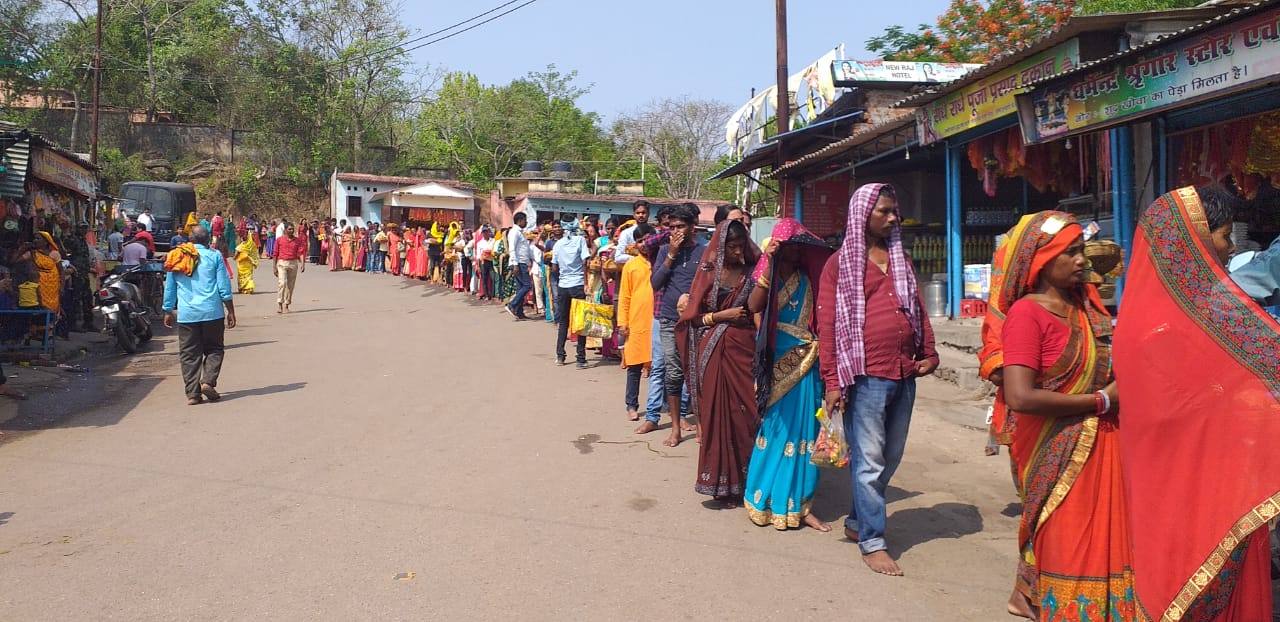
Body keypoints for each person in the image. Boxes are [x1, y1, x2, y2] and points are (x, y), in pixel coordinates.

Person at [1114, 186, 1277, 621]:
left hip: (1201, 485)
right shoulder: (1177, 326)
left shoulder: (1157, 316)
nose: (1230, 249)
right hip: (1199, 491)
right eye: (1224, 236)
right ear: (1193, 240)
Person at [992, 210, 1132, 619]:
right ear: (1040, 260)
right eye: (1069, 253)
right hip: (1054, 443)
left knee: (1105, 534)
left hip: (1103, 440)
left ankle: (1030, 597)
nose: (1081, 260)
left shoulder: (1087, 310)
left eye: (1081, 251)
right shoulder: (1027, 314)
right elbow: (1020, 396)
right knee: (1069, 536)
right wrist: (1100, 402)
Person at [817, 183, 938, 577]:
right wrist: (833, 381)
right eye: (884, 211)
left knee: (891, 456)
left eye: (894, 211)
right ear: (862, 215)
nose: (892, 218)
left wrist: (930, 352)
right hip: (865, 375)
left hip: (904, 370)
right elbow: (829, 325)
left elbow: (917, 306)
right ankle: (873, 541)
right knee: (869, 461)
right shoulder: (839, 264)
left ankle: (856, 521)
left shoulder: (900, 257)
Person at [743, 218, 833, 531]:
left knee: (806, 434)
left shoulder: (809, 279)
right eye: (790, 248)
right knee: (778, 431)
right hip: (780, 363)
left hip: (808, 365)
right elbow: (753, 305)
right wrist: (769, 263)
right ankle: (764, 499)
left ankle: (800, 504)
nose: (795, 255)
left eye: (799, 249)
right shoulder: (768, 275)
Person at [677, 219, 761, 505]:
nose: (738, 252)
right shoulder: (708, 274)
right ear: (721, 248)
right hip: (712, 352)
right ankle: (722, 483)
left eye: (741, 246)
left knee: (748, 413)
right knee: (717, 415)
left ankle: (752, 480)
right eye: (733, 247)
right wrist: (720, 317)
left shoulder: (753, 272)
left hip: (744, 350)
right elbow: (692, 318)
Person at [646, 203, 704, 447]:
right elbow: (656, 283)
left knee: (697, 373)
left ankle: (701, 427)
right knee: (673, 373)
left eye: (681, 226)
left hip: (696, 320)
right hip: (669, 320)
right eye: (672, 227)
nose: (676, 231)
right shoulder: (664, 251)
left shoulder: (703, 251)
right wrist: (671, 253)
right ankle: (676, 429)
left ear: (692, 227)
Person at [162, 226, 235, 406]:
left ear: (190, 239)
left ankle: (193, 394)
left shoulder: (177, 256)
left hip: (187, 315)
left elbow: (170, 286)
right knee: (215, 349)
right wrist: (231, 310)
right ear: (207, 239)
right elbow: (223, 286)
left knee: (189, 354)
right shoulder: (215, 256)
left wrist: (167, 309)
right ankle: (208, 381)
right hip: (212, 312)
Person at [617, 223, 655, 421]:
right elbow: (624, 296)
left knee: (660, 367)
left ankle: (660, 405)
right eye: (639, 241)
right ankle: (631, 405)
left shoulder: (663, 261)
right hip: (636, 322)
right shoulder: (631, 266)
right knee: (634, 366)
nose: (643, 244)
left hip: (657, 321)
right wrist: (622, 322)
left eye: (646, 240)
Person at [552, 219, 592, 368]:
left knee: (564, 322)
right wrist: (586, 282)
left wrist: (564, 271)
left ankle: (560, 356)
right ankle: (581, 358)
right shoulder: (580, 240)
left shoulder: (558, 244)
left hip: (563, 285)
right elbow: (585, 262)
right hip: (577, 284)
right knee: (580, 321)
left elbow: (554, 267)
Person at [62, 222, 94, 332]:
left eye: (86, 228)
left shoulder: (82, 240)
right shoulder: (72, 240)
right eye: (82, 228)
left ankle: (88, 322)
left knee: (87, 298)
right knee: (75, 299)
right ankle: (73, 324)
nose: (84, 230)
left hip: (84, 273)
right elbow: (66, 255)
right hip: (75, 273)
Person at [504, 212, 535, 320]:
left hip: (523, 262)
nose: (526, 222)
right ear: (520, 220)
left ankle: (519, 312)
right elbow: (512, 248)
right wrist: (515, 264)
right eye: (525, 220)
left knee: (520, 288)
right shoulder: (514, 232)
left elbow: (524, 248)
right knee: (527, 286)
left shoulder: (521, 233)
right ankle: (512, 304)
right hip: (519, 263)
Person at [273, 221, 306, 314]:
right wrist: (274, 267)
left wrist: (303, 264)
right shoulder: (279, 240)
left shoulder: (297, 241)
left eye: (292, 229)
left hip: (293, 263)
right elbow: (275, 254)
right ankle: (280, 304)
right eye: (289, 229)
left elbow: (301, 253)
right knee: (282, 283)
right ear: (285, 230)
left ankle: (287, 304)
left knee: (290, 286)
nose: (291, 231)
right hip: (282, 263)